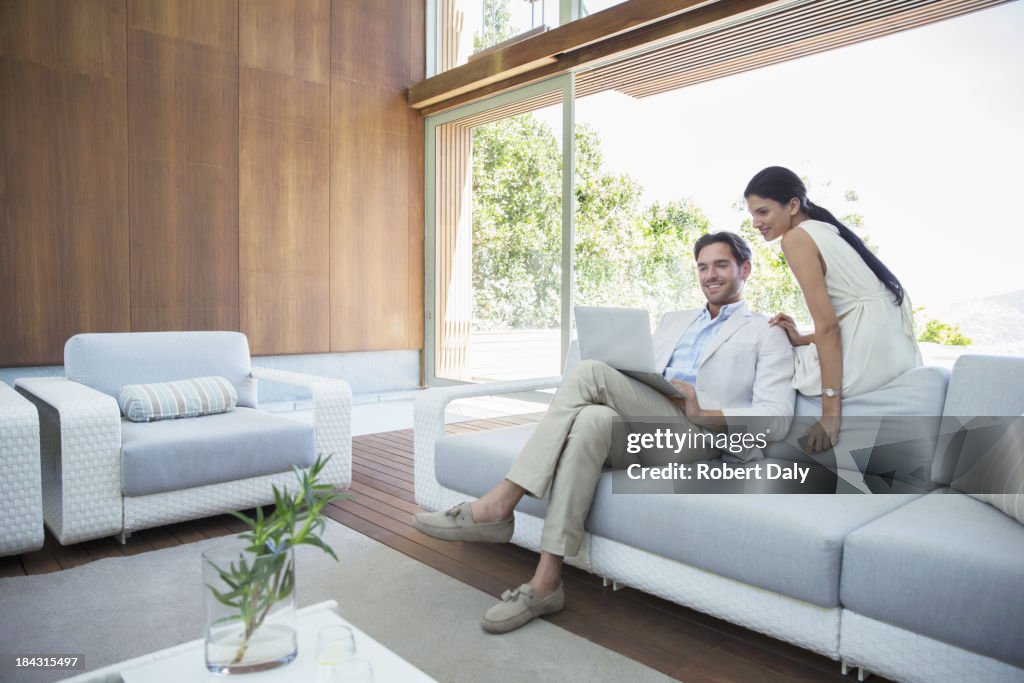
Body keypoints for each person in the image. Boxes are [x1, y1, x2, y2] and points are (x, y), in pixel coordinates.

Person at [412, 232, 795, 634]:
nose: (710, 275)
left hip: (704, 437)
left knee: (590, 371)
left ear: (745, 269)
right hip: (651, 421)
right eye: (703, 266)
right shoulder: (674, 321)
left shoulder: (766, 331)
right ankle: (545, 583)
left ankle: (498, 503)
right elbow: (639, 368)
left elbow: (777, 418)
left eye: (721, 265)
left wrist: (705, 410)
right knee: (592, 420)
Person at [743, 166, 922, 454]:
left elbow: (829, 327)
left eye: (762, 212)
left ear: (792, 205)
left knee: (768, 353)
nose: (755, 223)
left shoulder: (796, 238)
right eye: (752, 214)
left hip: (870, 357)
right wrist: (803, 339)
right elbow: (850, 319)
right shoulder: (826, 229)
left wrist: (830, 416)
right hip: (893, 349)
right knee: (788, 346)